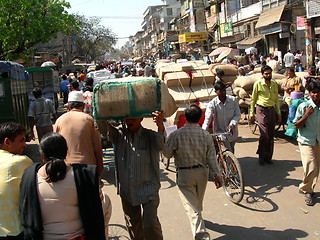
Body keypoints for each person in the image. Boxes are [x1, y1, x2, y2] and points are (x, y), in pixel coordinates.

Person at [19, 132, 108, 240]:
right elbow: (96, 212)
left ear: (42, 156)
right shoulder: (84, 174)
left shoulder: (29, 176)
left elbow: (25, 212)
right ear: (66, 152)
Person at [163, 104, 223, 240]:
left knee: (192, 207)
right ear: (200, 118)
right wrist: (217, 176)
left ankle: (201, 235)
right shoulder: (206, 135)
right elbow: (212, 158)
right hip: (202, 174)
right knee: (197, 203)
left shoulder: (176, 134)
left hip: (185, 174)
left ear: (185, 117)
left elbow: (166, 154)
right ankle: (199, 222)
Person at [104, 111, 165, 240]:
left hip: (149, 189)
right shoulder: (119, 136)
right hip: (127, 190)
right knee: (133, 225)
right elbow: (103, 127)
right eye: (127, 118)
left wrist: (160, 125)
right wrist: (104, 112)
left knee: (150, 223)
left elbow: (161, 144)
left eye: (134, 118)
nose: (130, 121)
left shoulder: (150, 136)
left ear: (142, 117)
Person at [55, 91, 104, 176]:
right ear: (83, 106)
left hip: (66, 167)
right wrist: (99, 170)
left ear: (68, 107)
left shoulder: (59, 120)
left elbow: (54, 146)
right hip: (87, 167)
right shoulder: (89, 119)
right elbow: (97, 147)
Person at [0, 122, 33, 239]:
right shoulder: (20, 161)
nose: (25, 144)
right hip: (13, 230)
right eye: (21, 140)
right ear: (7, 142)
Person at [293, 81, 320, 206]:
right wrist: (306, 115)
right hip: (305, 140)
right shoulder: (303, 106)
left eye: (318, 92)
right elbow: (296, 125)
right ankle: (306, 189)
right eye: (313, 92)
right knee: (312, 165)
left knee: (314, 168)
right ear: (309, 93)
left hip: (318, 140)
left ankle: (310, 188)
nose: (316, 95)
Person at [250, 65, 282, 165]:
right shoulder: (258, 84)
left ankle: (268, 156)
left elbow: (276, 99)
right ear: (262, 74)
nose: (268, 75)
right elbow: (253, 99)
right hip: (261, 109)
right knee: (264, 134)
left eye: (269, 73)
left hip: (271, 110)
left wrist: (279, 113)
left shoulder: (274, 84)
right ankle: (261, 155)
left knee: (271, 134)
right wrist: (251, 113)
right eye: (266, 74)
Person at [202, 82, 241, 153]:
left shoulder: (233, 100)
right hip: (220, 132)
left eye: (224, 90)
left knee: (231, 150)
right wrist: (203, 131)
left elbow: (237, 114)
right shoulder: (212, 103)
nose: (223, 93)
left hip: (232, 132)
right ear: (216, 92)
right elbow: (208, 118)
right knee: (227, 150)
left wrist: (232, 124)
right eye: (220, 91)